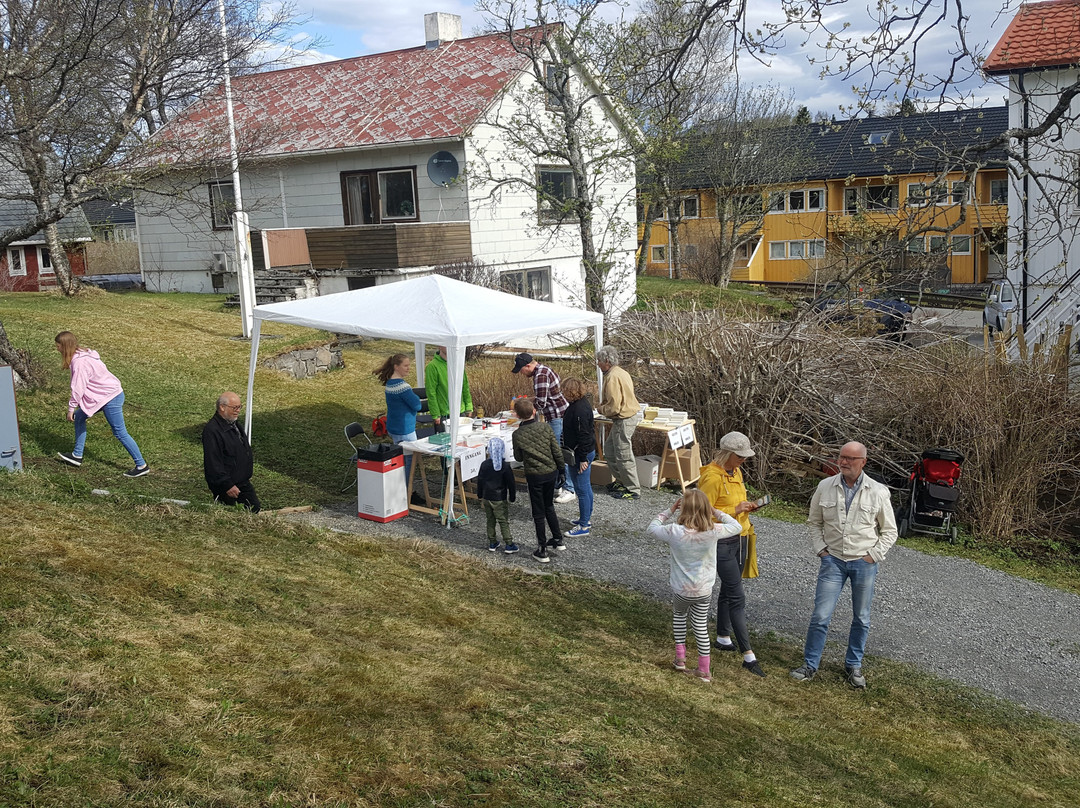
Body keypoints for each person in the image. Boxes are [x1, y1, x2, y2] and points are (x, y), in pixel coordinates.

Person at [790, 441, 897, 689]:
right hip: (833, 561)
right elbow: (814, 522)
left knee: (861, 617)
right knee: (820, 616)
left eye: (850, 458)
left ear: (863, 463)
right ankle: (810, 664)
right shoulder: (825, 486)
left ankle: (853, 665)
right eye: (841, 457)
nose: (844, 462)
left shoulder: (878, 491)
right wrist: (822, 551)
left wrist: (873, 555)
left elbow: (890, 531)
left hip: (864, 562)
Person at [648, 490, 742, 683]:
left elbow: (652, 527)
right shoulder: (713, 531)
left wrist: (670, 510)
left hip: (681, 590)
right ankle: (703, 669)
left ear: (683, 508)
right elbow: (737, 526)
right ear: (706, 509)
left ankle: (680, 658)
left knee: (679, 617)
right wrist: (716, 512)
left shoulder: (673, 531)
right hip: (703, 590)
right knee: (700, 627)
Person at [697, 431, 764, 674]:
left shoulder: (735, 472)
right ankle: (748, 656)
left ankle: (723, 636)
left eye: (745, 457)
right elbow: (702, 512)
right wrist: (735, 509)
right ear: (726, 454)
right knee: (737, 595)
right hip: (721, 542)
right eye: (739, 457)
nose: (743, 461)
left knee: (728, 588)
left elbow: (733, 504)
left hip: (740, 536)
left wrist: (746, 508)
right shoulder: (712, 478)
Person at [54, 331, 149, 477]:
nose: (57, 349)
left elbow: (78, 388)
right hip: (102, 397)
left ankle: (141, 465)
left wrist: (71, 408)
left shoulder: (79, 362)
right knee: (79, 417)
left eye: (58, 346)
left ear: (65, 346)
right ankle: (77, 456)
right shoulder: (83, 354)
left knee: (119, 432)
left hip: (110, 397)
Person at [512, 352, 575, 503]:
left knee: (557, 451)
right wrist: (528, 399)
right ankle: (559, 483)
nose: (521, 373)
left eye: (522, 370)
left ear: (528, 365)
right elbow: (545, 396)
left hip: (557, 416)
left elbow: (541, 403)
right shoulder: (544, 370)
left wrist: (523, 408)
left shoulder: (540, 375)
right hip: (559, 414)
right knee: (556, 449)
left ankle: (569, 488)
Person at [510, 397, 565, 563]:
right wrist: (562, 470)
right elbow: (556, 450)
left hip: (535, 475)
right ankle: (558, 538)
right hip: (551, 472)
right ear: (534, 411)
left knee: (538, 512)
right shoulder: (545, 427)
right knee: (549, 506)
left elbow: (518, 458)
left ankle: (542, 549)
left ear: (518, 416)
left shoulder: (517, 434)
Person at [595, 345, 641, 500]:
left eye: (599, 361)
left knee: (623, 454)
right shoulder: (620, 372)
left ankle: (633, 489)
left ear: (607, 361)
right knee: (610, 451)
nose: (598, 364)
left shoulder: (613, 376)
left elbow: (614, 407)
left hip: (624, 419)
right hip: (623, 418)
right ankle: (622, 481)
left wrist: (601, 410)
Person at [202, 391, 261, 512]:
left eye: (239, 407)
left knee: (253, 508)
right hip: (228, 485)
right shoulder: (213, 430)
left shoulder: (234, 425)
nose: (238, 410)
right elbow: (213, 462)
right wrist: (227, 484)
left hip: (241, 482)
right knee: (239, 512)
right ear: (222, 407)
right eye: (234, 407)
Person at [374, 353, 422, 485]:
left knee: (400, 460)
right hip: (405, 429)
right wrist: (416, 398)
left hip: (394, 427)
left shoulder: (390, 383)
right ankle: (406, 491)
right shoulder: (402, 387)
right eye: (405, 365)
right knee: (409, 462)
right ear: (396, 366)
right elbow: (417, 405)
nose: (408, 368)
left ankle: (400, 489)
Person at [560, 377, 596, 538]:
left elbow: (584, 435)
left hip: (581, 452)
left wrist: (583, 459)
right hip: (582, 451)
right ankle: (585, 519)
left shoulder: (579, 410)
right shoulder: (581, 404)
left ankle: (583, 526)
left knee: (581, 489)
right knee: (585, 487)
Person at [475, 437, 518, 555]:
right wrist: (512, 496)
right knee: (503, 520)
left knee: (490, 520)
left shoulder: (484, 464)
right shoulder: (504, 466)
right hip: (499, 498)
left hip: (487, 497)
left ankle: (492, 542)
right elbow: (511, 483)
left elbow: (480, 480)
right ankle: (509, 544)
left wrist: (479, 494)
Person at [425, 346, 472, 431]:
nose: (449, 346)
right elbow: (431, 392)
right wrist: (436, 414)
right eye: (445, 343)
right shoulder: (432, 366)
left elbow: (465, 387)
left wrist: (469, 406)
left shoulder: (458, 364)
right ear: (439, 346)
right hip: (444, 415)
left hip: (461, 412)